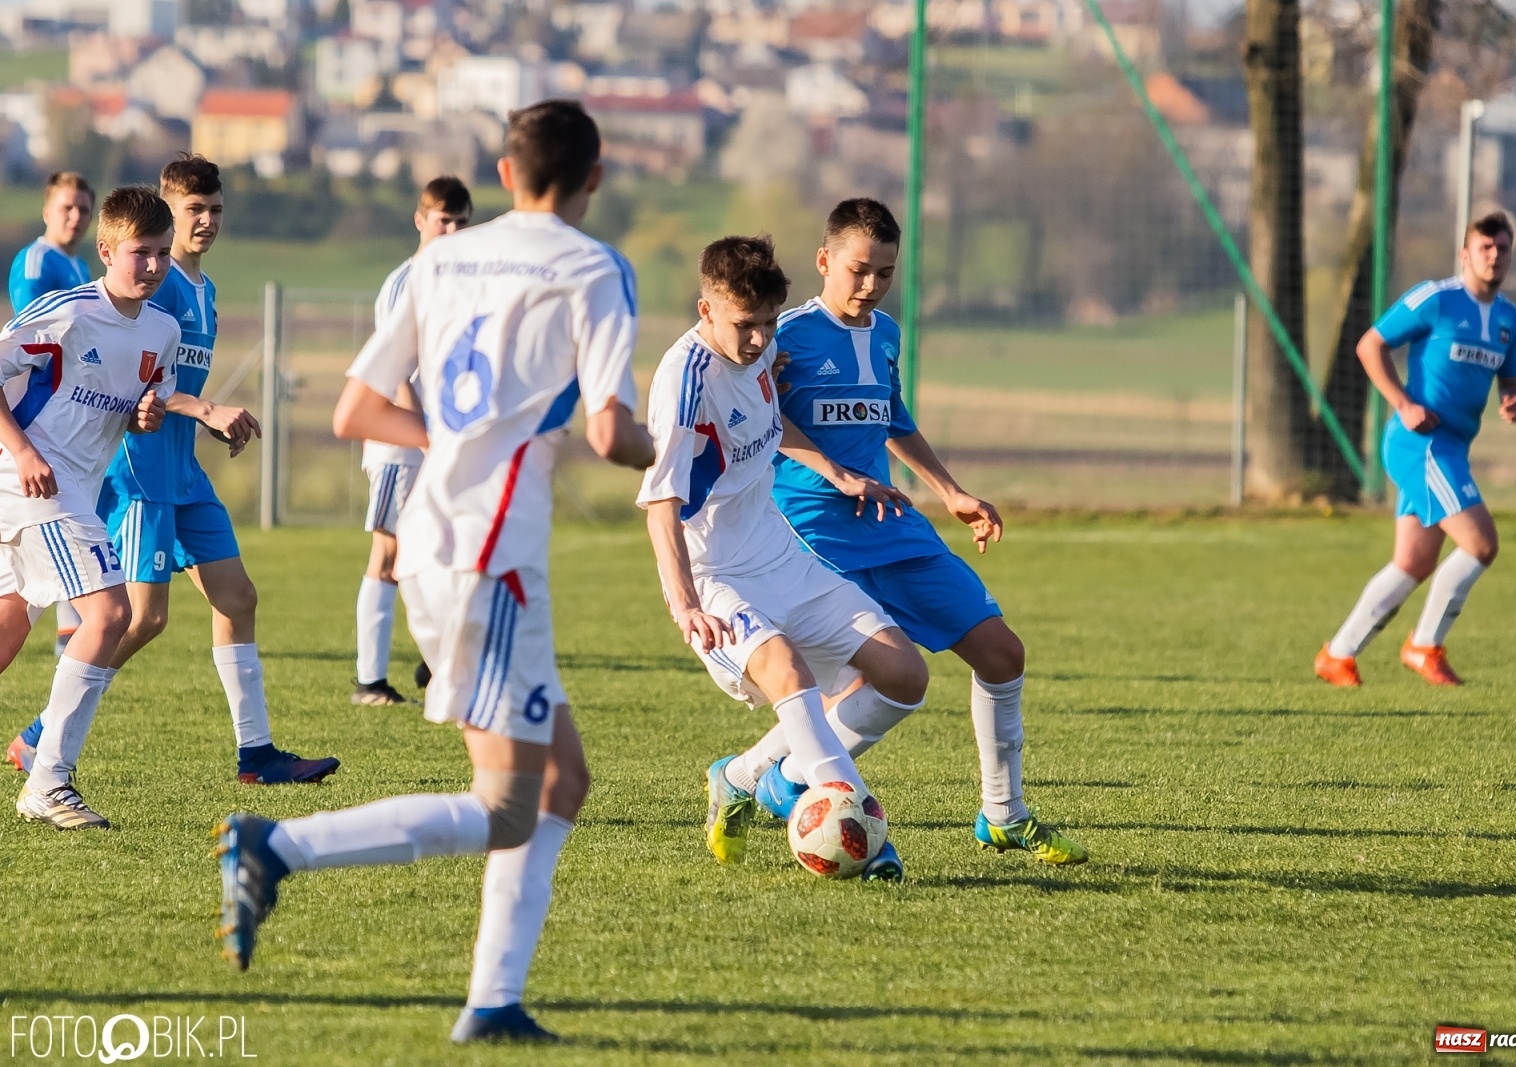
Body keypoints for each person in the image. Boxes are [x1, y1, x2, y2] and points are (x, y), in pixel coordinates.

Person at [212, 101, 655, 1045]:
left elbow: (355, 410)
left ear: (502, 173)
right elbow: (614, 430)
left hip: (430, 543)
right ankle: (279, 845)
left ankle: (493, 1002)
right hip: (491, 561)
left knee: (562, 780)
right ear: (596, 176)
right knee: (506, 805)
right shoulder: (594, 267)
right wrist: (670, 455)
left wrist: (455, 443)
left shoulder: (439, 260)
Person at [736, 198, 1089, 867]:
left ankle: (1004, 814)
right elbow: (766, 419)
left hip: (889, 522)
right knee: (875, 682)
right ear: (824, 261)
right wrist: (837, 473)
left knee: (1002, 653)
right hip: (812, 531)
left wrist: (951, 491)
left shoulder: (888, 335)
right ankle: (770, 777)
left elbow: (893, 418)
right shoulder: (784, 333)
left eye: (885, 273)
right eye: (858, 270)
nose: (870, 286)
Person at [6, 154, 339, 785]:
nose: (207, 222)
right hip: (139, 474)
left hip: (183, 470)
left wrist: (195, 415)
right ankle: (42, 736)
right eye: (195, 210)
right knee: (136, 618)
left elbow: (154, 388)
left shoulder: (201, 292)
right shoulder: (146, 292)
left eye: (216, 210)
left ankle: (256, 752)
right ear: (164, 209)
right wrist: (207, 407)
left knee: (238, 598)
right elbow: (123, 385)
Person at [637, 234, 926, 880]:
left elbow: (769, 423)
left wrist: (837, 471)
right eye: (746, 325)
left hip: (779, 556)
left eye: (769, 323)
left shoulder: (761, 355)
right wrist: (683, 601)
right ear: (705, 309)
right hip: (714, 577)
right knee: (786, 671)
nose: (761, 339)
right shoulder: (685, 381)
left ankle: (739, 777)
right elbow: (661, 501)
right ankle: (870, 842)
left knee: (905, 676)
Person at [4, 185, 174, 829]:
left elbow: (133, 407)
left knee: (9, 626)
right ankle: (47, 783)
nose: (154, 267)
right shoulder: (67, 312)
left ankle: (46, 780)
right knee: (111, 612)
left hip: (70, 484)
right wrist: (22, 453)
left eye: (161, 253)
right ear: (105, 251)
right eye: (140, 254)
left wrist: (145, 414)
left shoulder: (162, 327)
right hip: (30, 482)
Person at [1315, 211, 1516, 687]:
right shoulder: (1436, 299)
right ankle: (1424, 645)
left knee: (1413, 561)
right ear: (1465, 254)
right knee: (1481, 543)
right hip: (1420, 444)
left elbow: (1513, 379)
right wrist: (1403, 403)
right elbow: (1370, 344)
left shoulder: (1509, 319)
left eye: (1503, 248)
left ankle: (1338, 654)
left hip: (1452, 449)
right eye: (1485, 247)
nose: (1494, 256)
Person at [353, 176, 473, 706]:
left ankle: (436, 660)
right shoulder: (407, 282)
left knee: (451, 550)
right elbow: (395, 366)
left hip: (442, 439)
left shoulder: (462, 282)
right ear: (420, 220)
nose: (450, 231)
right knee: (389, 552)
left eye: (461, 222)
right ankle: (369, 679)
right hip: (401, 440)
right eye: (443, 220)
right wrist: (422, 434)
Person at [6, 171, 95, 664]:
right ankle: (73, 636)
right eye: (66, 208)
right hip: (32, 415)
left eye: (83, 208)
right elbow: (32, 336)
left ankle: (70, 636)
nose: (75, 217)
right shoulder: (39, 261)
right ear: (47, 211)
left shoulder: (79, 265)